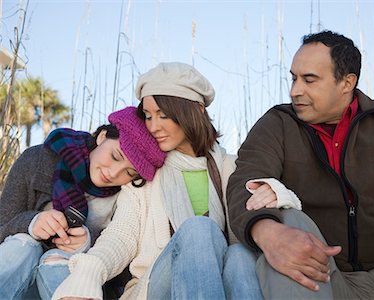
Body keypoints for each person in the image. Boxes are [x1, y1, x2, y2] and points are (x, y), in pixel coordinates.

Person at [227, 30, 374, 299]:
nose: (295, 90)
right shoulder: (278, 124)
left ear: (347, 82)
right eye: (294, 78)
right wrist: (268, 233)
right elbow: (245, 181)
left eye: (309, 80)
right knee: (284, 214)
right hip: (324, 278)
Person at [53, 62, 267, 300]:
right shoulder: (147, 175)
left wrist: (275, 192)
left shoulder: (231, 168)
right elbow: (122, 235)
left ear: (197, 110)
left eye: (163, 115)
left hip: (221, 285)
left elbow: (263, 215)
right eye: (147, 116)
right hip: (153, 289)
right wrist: (88, 273)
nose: (153, 127)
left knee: (241, 255)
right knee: (198, 228)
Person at [0, 106, 166, 300]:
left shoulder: (129, 194)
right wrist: (32, 223)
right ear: (102, 136)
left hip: (69, 284)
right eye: (115, 156)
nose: (113, 173)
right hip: (15, 278)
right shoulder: (35, 159)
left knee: (57, 263)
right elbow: (2, 227)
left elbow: (128, 270)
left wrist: (88, 242)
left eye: (129, 172)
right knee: (24, 246)